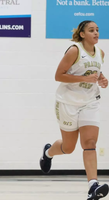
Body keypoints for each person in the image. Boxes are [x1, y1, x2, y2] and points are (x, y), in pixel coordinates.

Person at [39, 20, 108, 200]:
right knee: (68, 148)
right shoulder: (75, 50)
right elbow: (58, 75)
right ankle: (47, 153)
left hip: (90, 102)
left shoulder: (100, 53)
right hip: (68, 102)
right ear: (83, 34)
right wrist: (82, 78)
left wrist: (102, 80)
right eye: (91, 30)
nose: (96, 33)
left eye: (97, 30)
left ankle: (93, 185)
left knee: (90, 143)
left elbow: (96, 74)